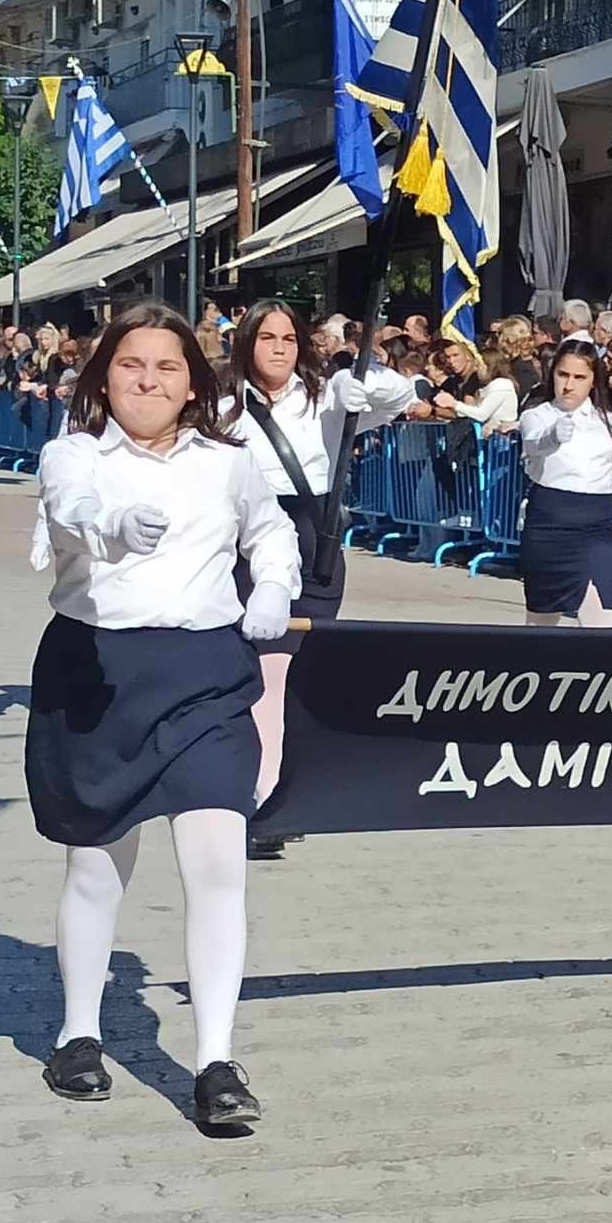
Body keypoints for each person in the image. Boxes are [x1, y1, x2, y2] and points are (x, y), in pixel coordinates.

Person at [23, 302, 301, 1128]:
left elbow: (272, 530)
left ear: (193, 384)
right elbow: (71, 508)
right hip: (99, 668)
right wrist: (111, 522)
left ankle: (216, 1058)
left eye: (167, 367)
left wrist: (276, 586)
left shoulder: (227, 462)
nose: (148, 379)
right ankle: (78, 1033)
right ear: (104, 374)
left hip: (203, 672)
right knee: (97, 866)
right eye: (131, 364)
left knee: (218, 858)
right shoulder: (71, 452)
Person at [222, 300, 421, 860]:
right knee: (262, 670)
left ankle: (273, 793)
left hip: (313, 536)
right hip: (244, 537)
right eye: (267, 338)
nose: (280, 348)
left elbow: (401, 397)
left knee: (292, 670)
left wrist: (364, 380)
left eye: (288, 338)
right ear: (246, 343)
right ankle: (263, 794)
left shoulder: (324, 397)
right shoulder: (222, 405)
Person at [515, 345, 612, 629]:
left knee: (600, 619)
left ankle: (599, 673)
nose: (569, 384)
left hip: (597, 524)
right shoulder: (536, 415)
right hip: (550, 520)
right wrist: (552, 436)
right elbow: (534, 443)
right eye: (563, 375)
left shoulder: (611, 423)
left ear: (593, 379)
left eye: (579, 377)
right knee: (541, 622)